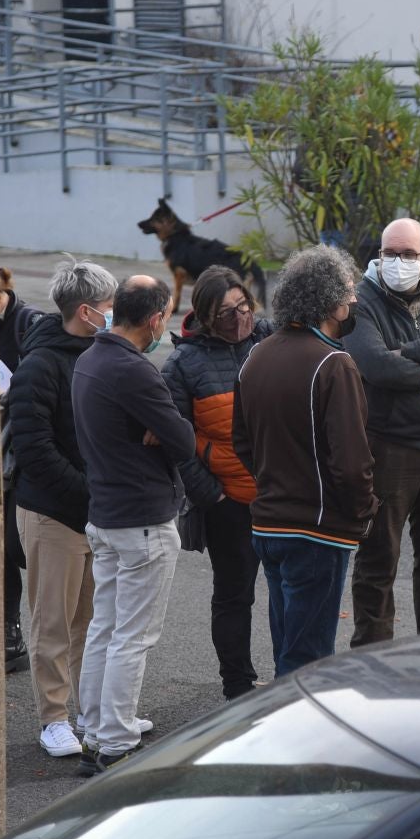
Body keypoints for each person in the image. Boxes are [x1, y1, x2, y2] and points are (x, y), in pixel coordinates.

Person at [232, 245, 378, 676]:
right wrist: (364, 512)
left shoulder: (256, 356)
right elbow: (351, 463)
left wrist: (273, 482)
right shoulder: (334, 364)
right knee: (306, 662)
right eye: (348, 292)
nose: (353, 301)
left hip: (268, 524)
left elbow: (242, 441)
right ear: (327, 300)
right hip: (316, 532)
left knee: (287, 646)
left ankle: (280, 730)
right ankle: (295, 740)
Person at [71, 275, 195, 775]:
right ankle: (116, 740)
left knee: (105, 626)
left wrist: (158, 429)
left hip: (105, 515)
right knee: (132, 635)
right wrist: (164, 428)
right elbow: (184, 442)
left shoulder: (89, 361)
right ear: (156, 319)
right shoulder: (135, 373)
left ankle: (98, 726)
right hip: (142, 519)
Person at [9, 257, 118, 759]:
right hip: (53, 513)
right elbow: (35, 448)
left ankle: (89, 710)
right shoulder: (42, 364)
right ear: (85, 310)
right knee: (52, 621)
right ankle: (53, 718)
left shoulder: (99, 352)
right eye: (107, 307)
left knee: (92, 620)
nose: (112, 314)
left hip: (94, 511)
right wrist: (88, 490)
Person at [344, 218, 420, 646]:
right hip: (388, 446)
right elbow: (374, 365)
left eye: (408, 254)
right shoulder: (361, 302)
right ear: (379, 255)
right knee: (379, 559)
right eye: (390, 253)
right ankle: (373, 658)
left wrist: (409, 353)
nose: (398, 262)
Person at [161, 266, 274, 700]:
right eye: (226, 313)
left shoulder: (270, 340)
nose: (238, 318)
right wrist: (213, 496)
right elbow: (178, 443)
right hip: (230, 503)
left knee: (287, 592)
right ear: (205, 315)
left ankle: (291, 676)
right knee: (233, 595)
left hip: (280, 496)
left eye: (243, 307)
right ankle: (238, 684)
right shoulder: (183, 364)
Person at [0, 266, 41, 674]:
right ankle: (8, 632)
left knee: (16, 545)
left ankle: (36, 632)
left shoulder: (28, 324)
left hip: (20, 456)